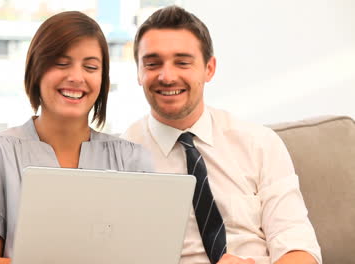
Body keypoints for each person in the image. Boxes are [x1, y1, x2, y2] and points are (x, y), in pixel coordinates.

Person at [122, 6, 321, 264]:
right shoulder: (119, 159)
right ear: (138, 72)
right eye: (152, 63)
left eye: (182, 62)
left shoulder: (259, 143)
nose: (167, 76)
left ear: (209, 68)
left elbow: (299, 248)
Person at [0, 11, 152, 264]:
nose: (76, 77)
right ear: (36, 70)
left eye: (91, 67)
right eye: (61, 63)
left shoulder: (132, 160)